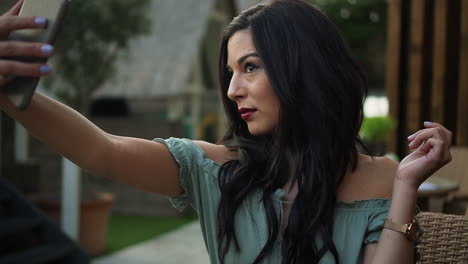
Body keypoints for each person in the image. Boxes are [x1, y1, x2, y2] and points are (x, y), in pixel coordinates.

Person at [0, 0, 453, 263]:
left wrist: (406, 186)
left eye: (251, 67)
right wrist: (13, 92)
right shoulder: (217, 169)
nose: (233, 89)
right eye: (230, 72)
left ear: (304, 69)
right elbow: (101, 150)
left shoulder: (384, 180)